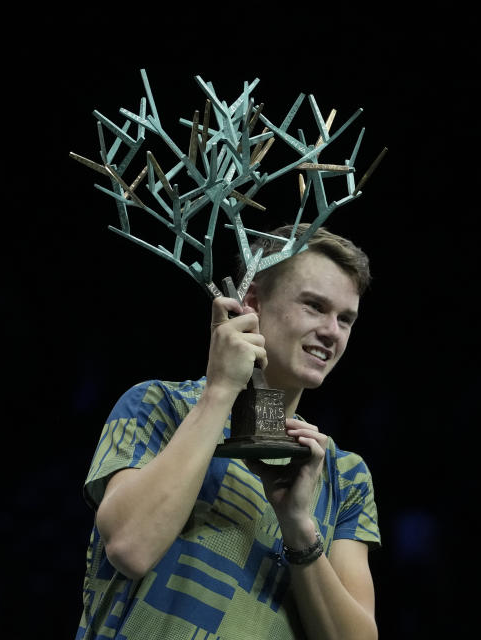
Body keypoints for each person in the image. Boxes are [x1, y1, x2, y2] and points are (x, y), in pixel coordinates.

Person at [76, 223, 381, 639]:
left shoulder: (343, 475)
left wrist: (297, 526)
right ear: (251, 301)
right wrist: (220, 391)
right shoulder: (157, 405)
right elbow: (130, 549)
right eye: (314, 306)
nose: (332, 332)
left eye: (345, 319)